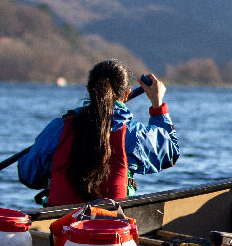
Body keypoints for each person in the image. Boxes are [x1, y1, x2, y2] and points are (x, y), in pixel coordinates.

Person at [18, 60, 180, 206]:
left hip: (62, 227)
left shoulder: (57, 129)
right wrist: (158, 107)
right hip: (111, 229)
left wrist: (41, 150)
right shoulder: (133, 135)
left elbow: (28, 176)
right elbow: (170, 153)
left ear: (89, 90)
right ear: (126, 94)